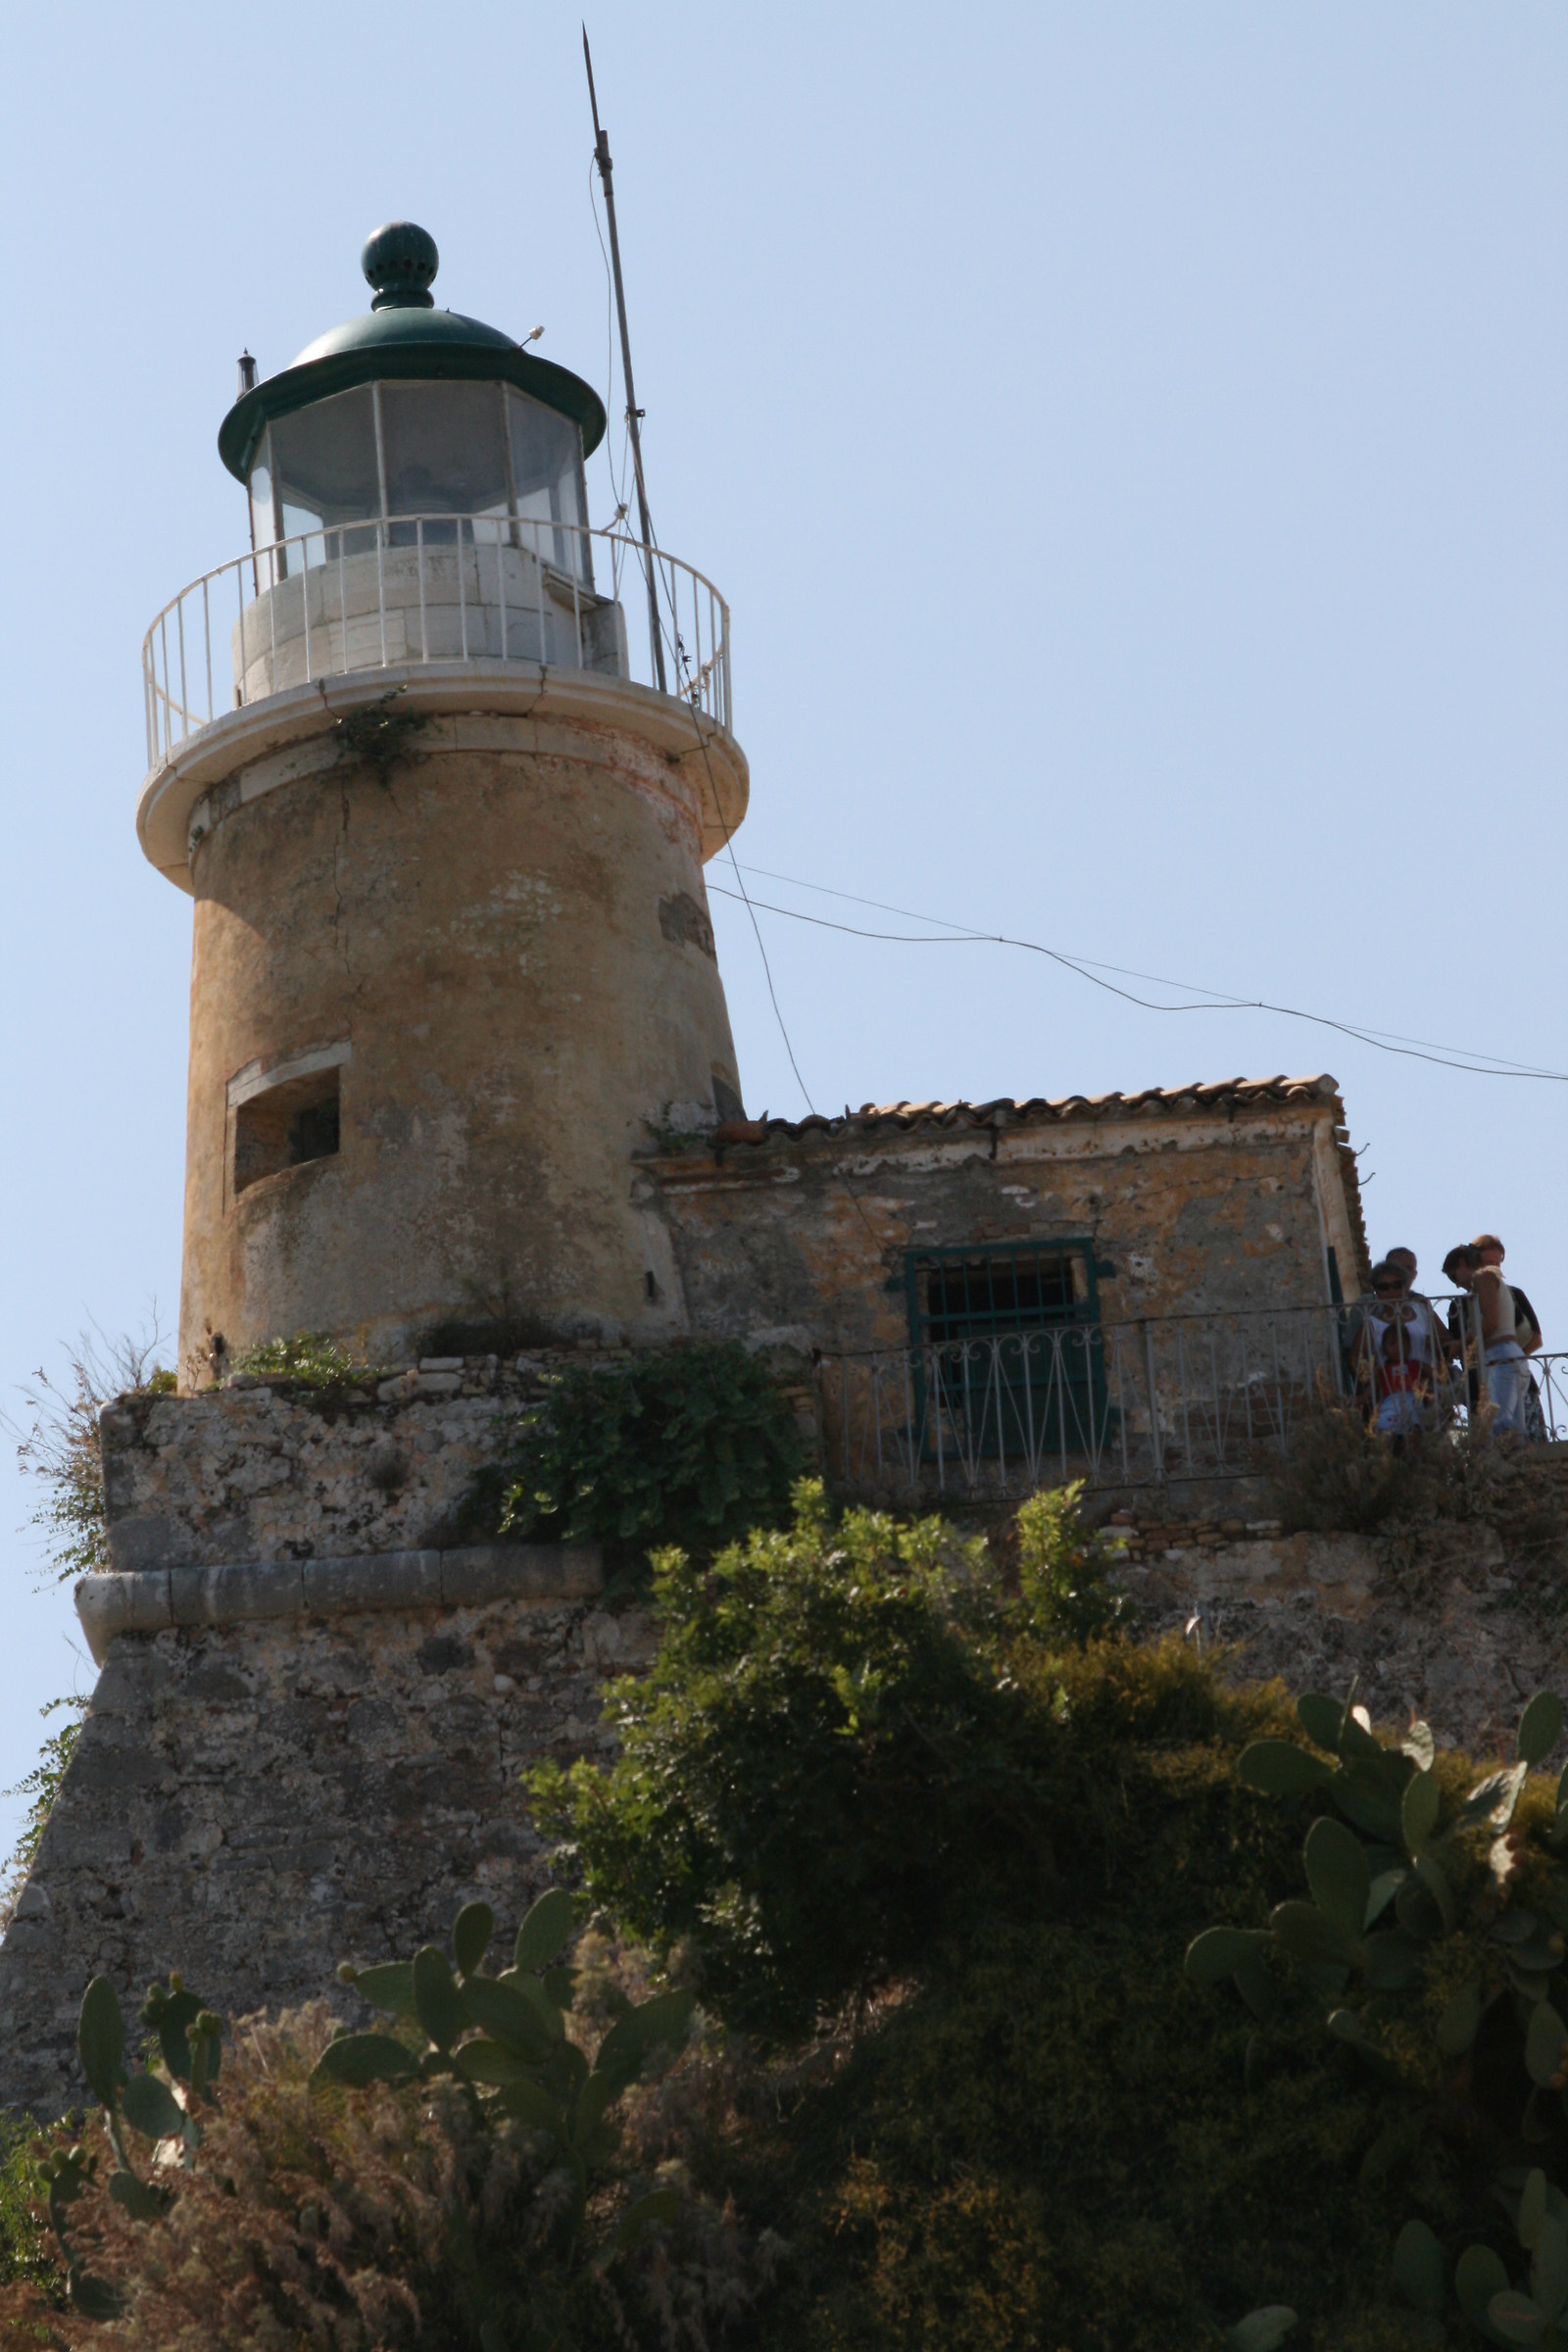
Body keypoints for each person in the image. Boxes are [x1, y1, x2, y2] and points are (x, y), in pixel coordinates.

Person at [1447, 1234, 1530, 1436]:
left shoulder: (1482, 1278)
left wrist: (1462, 1345)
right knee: (1513, 1430)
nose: (1457, 1285)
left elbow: (1491, 1323)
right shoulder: (1491, 1280)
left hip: (1501, 1357)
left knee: (1497, 1426)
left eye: (1453, 1276)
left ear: (1461, 1264)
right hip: (1510, 1357)